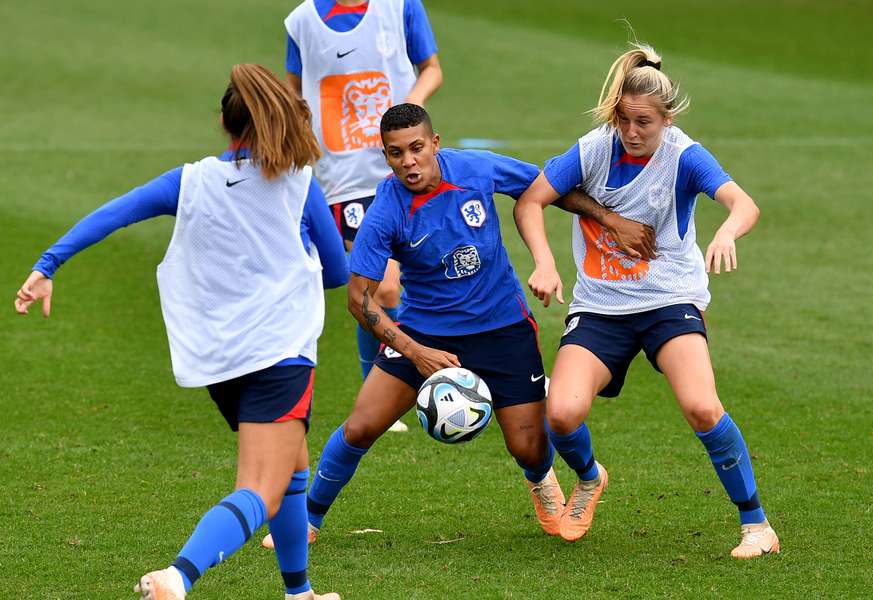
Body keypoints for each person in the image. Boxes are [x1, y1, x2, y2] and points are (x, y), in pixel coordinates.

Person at [14, 64, 347, 599]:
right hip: (279, 357)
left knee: (291, 472)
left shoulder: (188, 181)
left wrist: (48, 264)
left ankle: (299, 593)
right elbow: (336, 274)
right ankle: (178, 576)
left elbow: (116, 213)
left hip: (220, 362)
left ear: (223, 122)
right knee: (260, 489)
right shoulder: (299, 185)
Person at [301, 102, 655, 544]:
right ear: (386, 156)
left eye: (416, 148)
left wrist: (610, 219)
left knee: (528, 447)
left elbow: (549, 187)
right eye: (396, 153)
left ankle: (571, 478)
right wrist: (415, 351)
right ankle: (307, 520)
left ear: (435, 143)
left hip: (502, 326)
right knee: (361, 426)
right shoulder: (386, 210)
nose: (408, 162)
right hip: (424, 333)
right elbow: (359, 299)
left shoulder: (475, 169)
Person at [513, 42, 780, 557]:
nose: (631, 133)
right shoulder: (594, 147)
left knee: (702, 406)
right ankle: (590, 477)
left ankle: (757, 526)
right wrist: (545, 262)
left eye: (643, 123)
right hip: (599, 306)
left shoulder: (684, 154)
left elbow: (742, 203)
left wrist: (727, 233)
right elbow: (531, 201)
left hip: (669, 301)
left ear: (667, 118)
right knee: (562, 415)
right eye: (623, 120)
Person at [284, 0, 442, 403]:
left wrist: (407, 113)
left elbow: (432, 69)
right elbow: (293, 97)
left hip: (407, 164)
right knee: (382, 289)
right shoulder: (301, 21)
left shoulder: (401, 7)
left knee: (428, 275)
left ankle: (433, 371)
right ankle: (383, 389)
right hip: (347, 177)